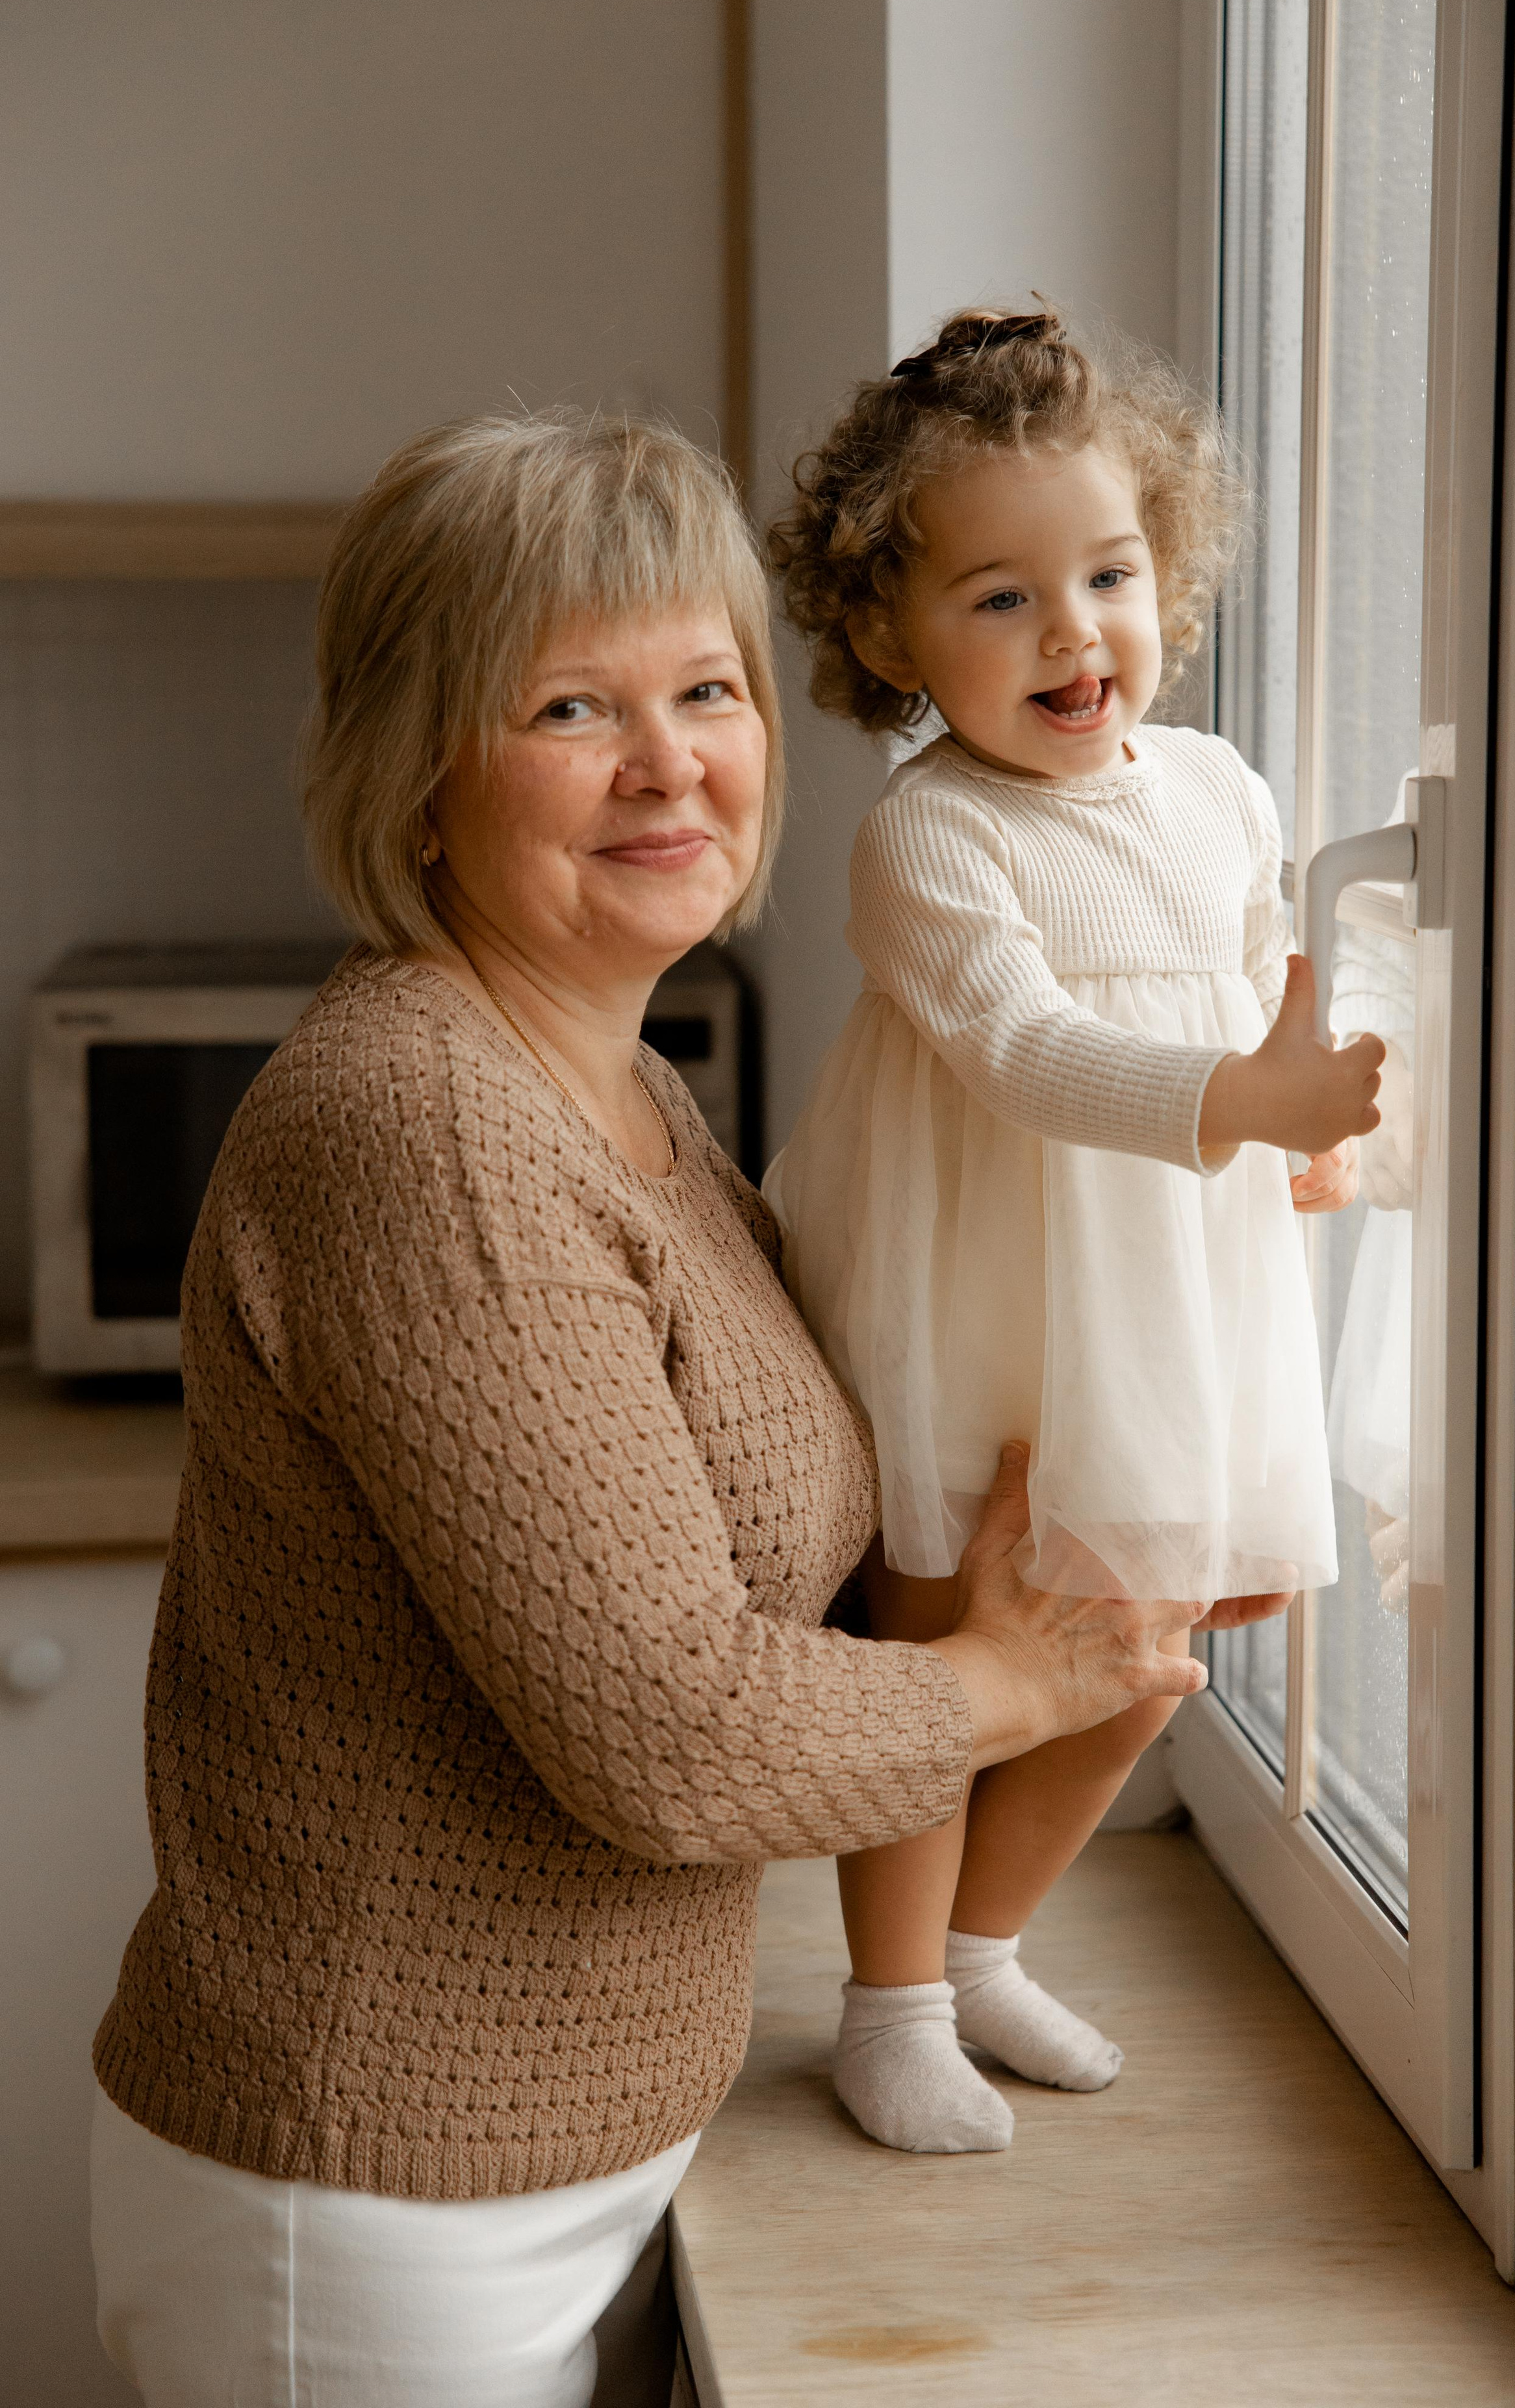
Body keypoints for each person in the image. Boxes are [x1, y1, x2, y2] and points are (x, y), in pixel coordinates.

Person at [86, 408, 1247, 2408]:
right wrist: (1030, 1678)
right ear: (416, 777)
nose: (671, 764)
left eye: (706, 688)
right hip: (372, 2207)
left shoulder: (626, 1096)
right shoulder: (424, 1130)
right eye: (569, 707)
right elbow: (677, 1734)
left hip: (564, 2152)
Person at [763, 307, 1384, 2155]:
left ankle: (978, 1955)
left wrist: (1321, 1131)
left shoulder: (1219, 790)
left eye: (1107, 574)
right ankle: (883, 2003)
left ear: (1166, 578)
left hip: (1174, 1286)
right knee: (949, 1645)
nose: (1072, 633)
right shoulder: (929, 839)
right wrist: (1234, 1110)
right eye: (1000, 598)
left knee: (1141, 1651)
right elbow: (1030, 1055)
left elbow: (1272, 997)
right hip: (980, 1288)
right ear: (890, 635)